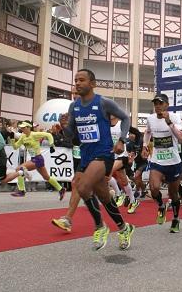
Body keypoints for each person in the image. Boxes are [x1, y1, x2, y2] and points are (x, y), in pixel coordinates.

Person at [63, 69, 134, 250]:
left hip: (104, 154)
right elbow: (73, 136)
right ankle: (124, 227)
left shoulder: (103, 103)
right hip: (86, 155)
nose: (77, 83)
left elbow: (126, 118)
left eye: (82, 80)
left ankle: (100, 226)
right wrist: (65, 127)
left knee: (82, 186)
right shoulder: (74, 107)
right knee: (103, 196)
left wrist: (121, 140)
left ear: (92, 83)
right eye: (76, 80)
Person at [143, 93, 182, 232]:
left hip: (173, 162)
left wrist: (169, 123)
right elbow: (147, 132)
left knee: (173, 194)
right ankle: (161, 206)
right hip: (157, 161)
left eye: (160, 103)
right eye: (155, 103)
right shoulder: (150, 119)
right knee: (154, 188)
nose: (157, 106)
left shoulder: (174, 117)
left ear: (167, 105)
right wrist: (145, 145)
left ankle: (176, 219)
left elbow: (181, 139)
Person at [9, 121, 65, 199]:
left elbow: (48, 135)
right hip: (34, 159)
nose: (22, 129)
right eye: (21, 128)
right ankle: (61, 189)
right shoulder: (22, 136)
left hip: (38, 158)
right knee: (46, 177)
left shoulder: (34, 134)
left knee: (19, 169)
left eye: (24, 127)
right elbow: (15, 147)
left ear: (28, 128)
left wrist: (51, 145)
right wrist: (12, 139)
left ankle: (22, 190)